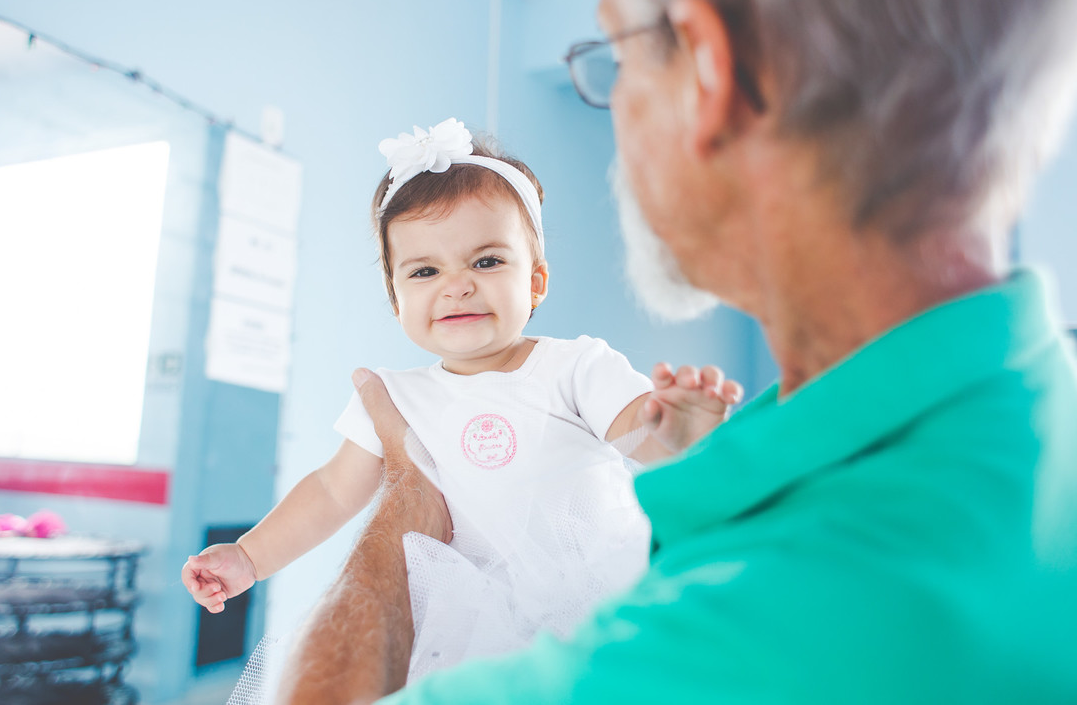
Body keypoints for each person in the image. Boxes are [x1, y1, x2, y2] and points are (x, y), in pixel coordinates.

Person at [273, 0, 1077, 703]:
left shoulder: (757, 631)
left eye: (616, 55)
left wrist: (407, 504)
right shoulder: (1002, 436)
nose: (615, 105)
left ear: (708, 76)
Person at [182, 117, 743, 682]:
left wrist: (679, 432)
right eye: (425, 270)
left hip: (592, 600)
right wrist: (251, 556)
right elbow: (331, 491)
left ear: (537, 281)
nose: (457, 285)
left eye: (487, 261)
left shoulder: (573, 365)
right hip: (465, 626)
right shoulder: (397, 396)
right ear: (395, 299)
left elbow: (639, 435)